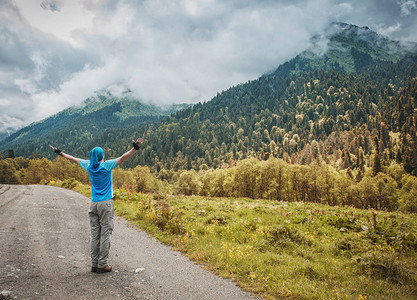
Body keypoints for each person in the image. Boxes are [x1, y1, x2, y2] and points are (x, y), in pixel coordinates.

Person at [49, 138, 144, 274]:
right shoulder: (106, 166)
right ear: (101, 156)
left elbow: (73, 159)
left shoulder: (88, 165)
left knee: (95, 234)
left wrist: (59, 152)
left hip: (93, 204)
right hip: (105, 204)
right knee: (105, 233)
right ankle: (102, 264)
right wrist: (135, 148)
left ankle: (94, 264)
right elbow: (123, 158)